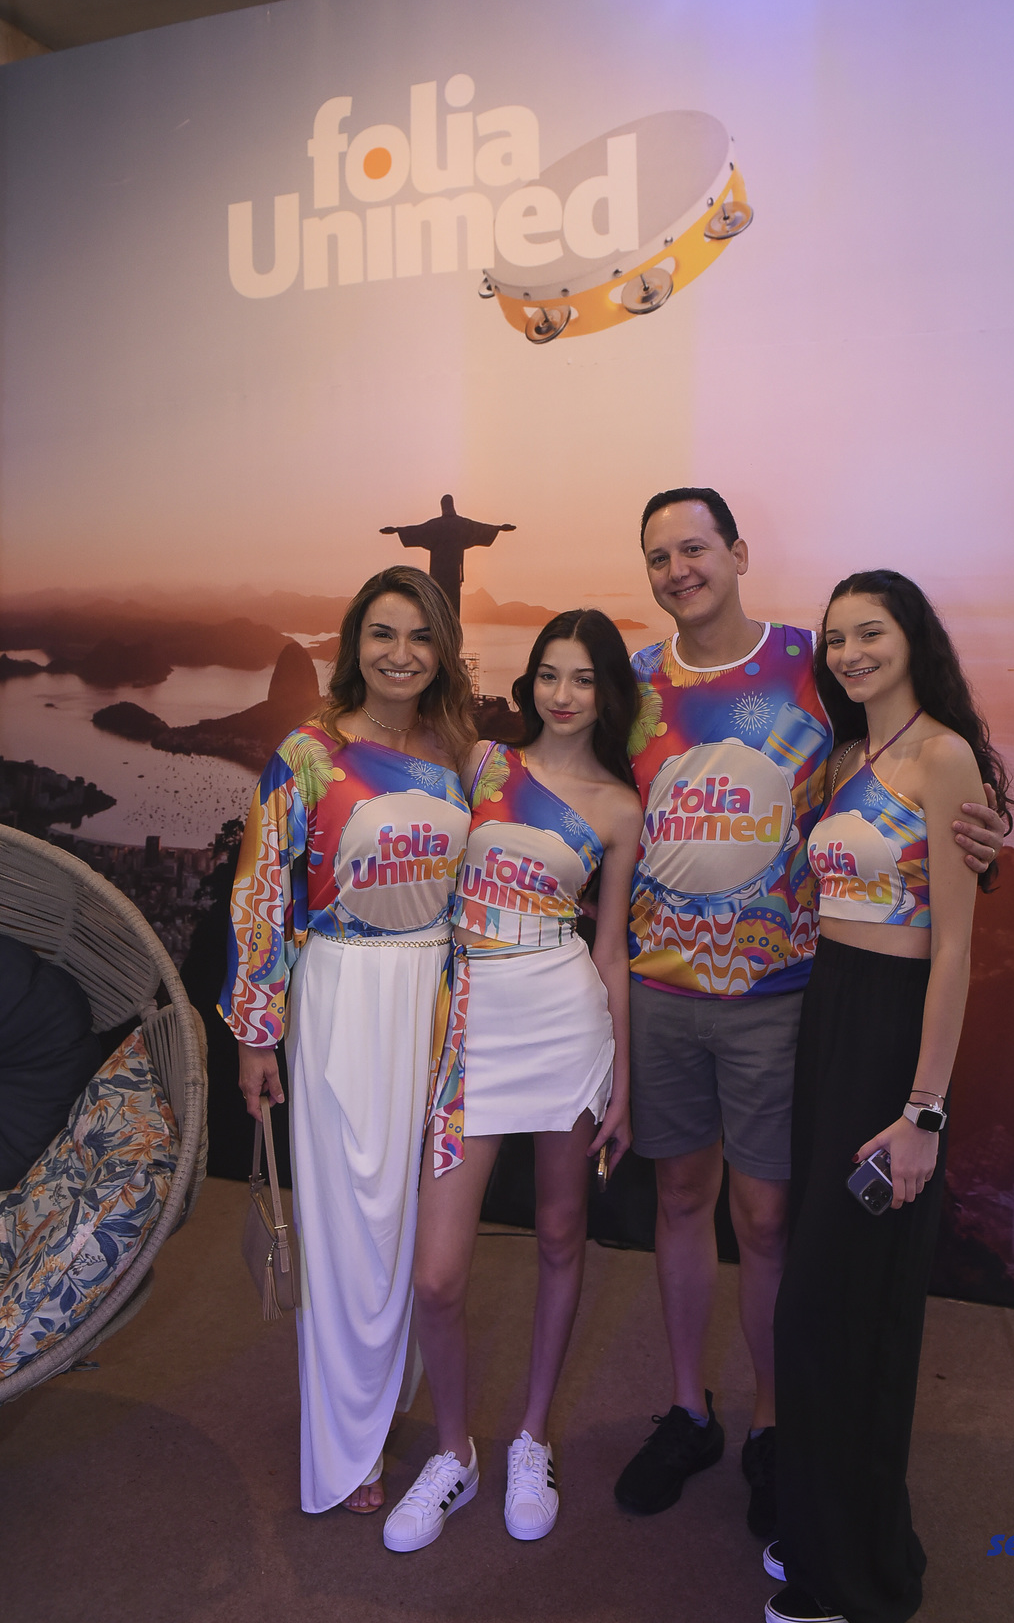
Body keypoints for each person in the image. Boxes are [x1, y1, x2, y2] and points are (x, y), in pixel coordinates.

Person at [613, 490, 1007, 1541]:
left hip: (784, 992)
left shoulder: (809, 665)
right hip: (660, 989)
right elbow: (581, 790)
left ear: (738, 552)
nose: (679, 569)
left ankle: (774, 1428)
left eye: (695, 547)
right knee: (680, 1199)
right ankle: (688, 1411)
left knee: (769, 1219)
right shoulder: (635, 684)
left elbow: (907, 784)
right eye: (658, 556)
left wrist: (978, 846)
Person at [765, 570, 1014, 1623]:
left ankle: (854, 1580)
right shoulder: (844, 758)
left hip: (894, 1037)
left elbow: (954, 947)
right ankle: (826, 1528)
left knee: (853, 1310)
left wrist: (923, 1113)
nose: (851, 652)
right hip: (830, 1018)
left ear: (913, 639)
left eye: (871, 632)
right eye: (836, 638)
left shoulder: (944, 756)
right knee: (819, 1305)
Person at [381, 610, 643, 1553]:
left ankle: (533, 1438)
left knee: (562, 1235)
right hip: (471, 1030)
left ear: (607, 693)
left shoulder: (619, 807)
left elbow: (610, 949)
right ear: (529, 682)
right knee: (438, 1276)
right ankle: (454, 1454)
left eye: (584, 679)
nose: (563, 695)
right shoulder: (484, 763)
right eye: (549, 675)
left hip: (566, 1025)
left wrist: (623, 1077)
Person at [220, 566, 475, 1517]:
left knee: (411, 1218)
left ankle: (386, 1398)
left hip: (436, 999)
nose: (401, 654)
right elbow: (261, 894)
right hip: (342, 990)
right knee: (346, 1223)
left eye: (420, 635)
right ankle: (347, 1442)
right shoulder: (308, 753)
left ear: (443, 649)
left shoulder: (462, 754)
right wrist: (256, 1036)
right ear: (353, 644)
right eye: (382, 634)